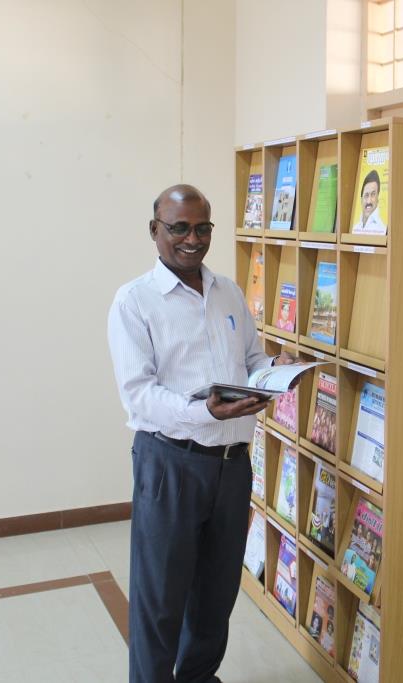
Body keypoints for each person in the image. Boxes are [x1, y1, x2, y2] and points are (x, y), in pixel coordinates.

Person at [108, 184, 294, 683]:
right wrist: (204, 412)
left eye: (202, 228)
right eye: (179, 228)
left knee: (215, 594)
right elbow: (139, 395)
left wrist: (275, 371)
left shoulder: (228, 292)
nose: (192, 239)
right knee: (160, 600)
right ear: (155, 231)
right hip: (170, 463)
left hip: (232, 466)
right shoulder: (134, 301)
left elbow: (250, 360)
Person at [352, 169, 386, 234]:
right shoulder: (354, 229)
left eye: (373, 194)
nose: (369, 201)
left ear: (378, 198)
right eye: (366, 195)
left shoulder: (382, 230)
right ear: (361, 199)